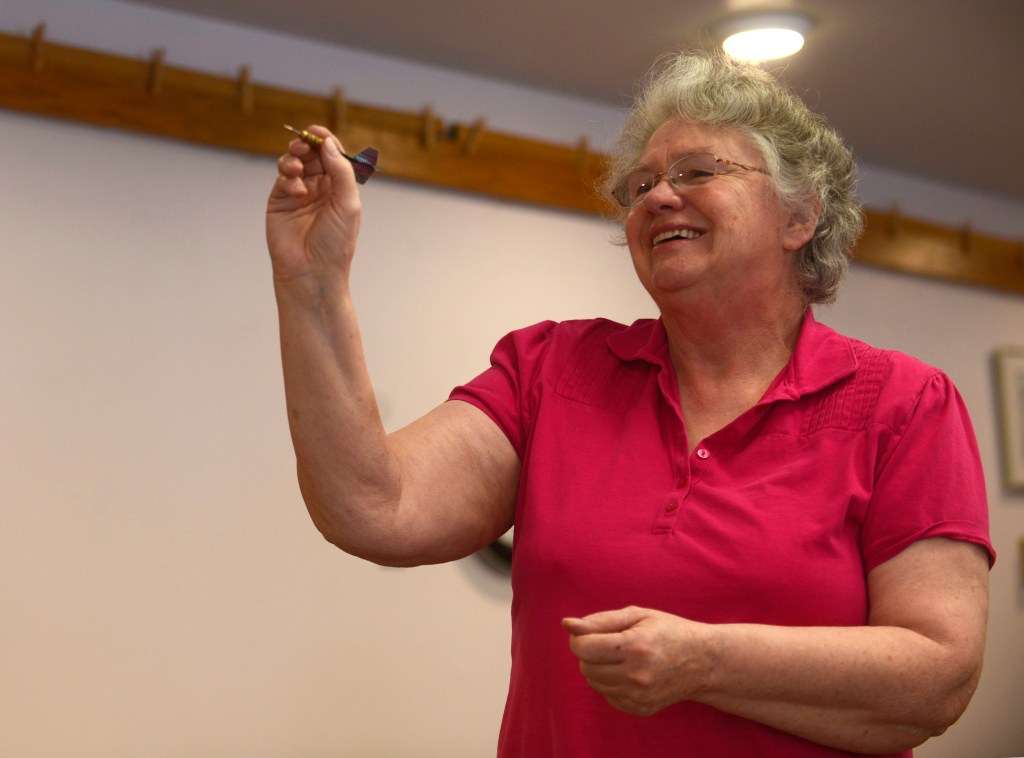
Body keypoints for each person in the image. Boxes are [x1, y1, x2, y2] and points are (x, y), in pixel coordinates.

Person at [266, 49, 994, 757]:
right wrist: (313, 282)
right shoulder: (553, 369)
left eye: (696, 172)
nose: (660, 196)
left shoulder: (902, 403)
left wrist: (706, 661)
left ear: (799, 217)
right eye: (641, 185)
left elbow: (938, 678)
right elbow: (372, 506)